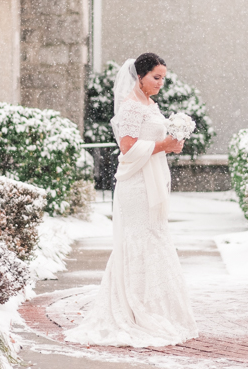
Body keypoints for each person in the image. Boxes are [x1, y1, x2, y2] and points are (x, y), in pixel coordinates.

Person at [64, 53, 199, 348]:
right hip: (136, 185)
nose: (161, 83)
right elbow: (127, 148)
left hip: (153, 178)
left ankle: (156, 309)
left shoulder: (151, 105)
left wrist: (173, 142)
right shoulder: (130, 108)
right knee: (138, 241)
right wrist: (164, 144)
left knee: (156, 239)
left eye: (163, 77)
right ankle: (132, 310)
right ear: (139, 77)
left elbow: (153, 143)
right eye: (156, 77)